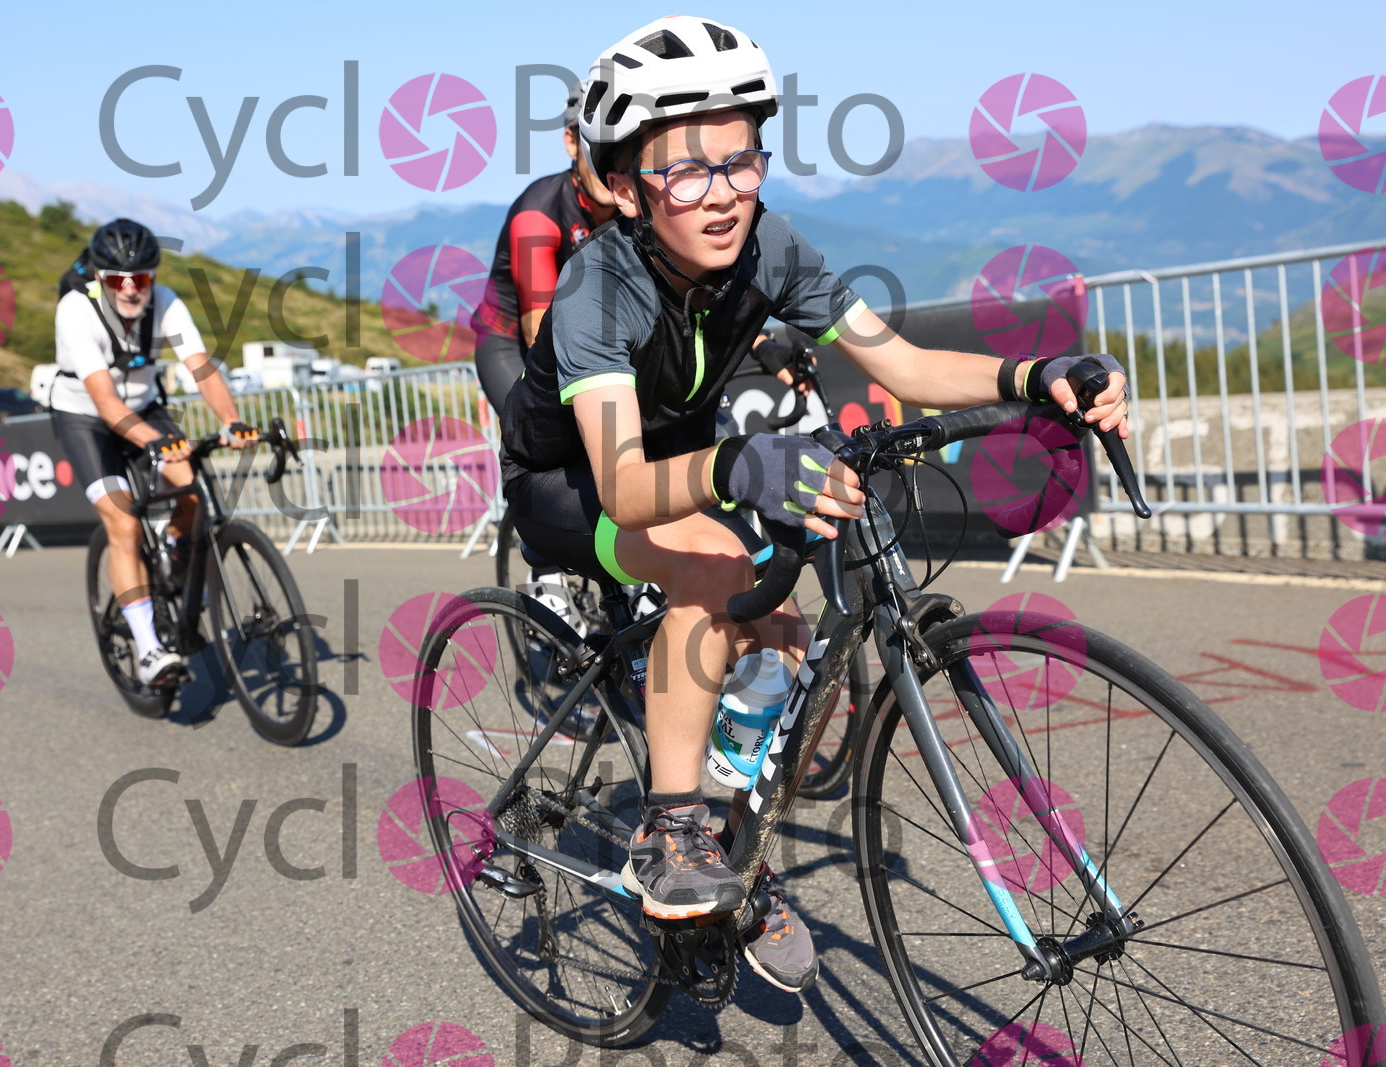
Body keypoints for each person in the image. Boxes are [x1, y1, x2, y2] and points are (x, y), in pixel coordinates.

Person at [500, 15, 1129, 994]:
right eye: (685, 171)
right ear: (623, 186)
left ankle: (731, 832)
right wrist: (739, 463)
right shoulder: (597, 287)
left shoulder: (770, 247)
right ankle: (671, 830)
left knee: (787, 631)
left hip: (676, 459)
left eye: (739, 160)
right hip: (569, 480)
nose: (723, 192)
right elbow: (623, 483)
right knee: (714, 564)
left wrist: (1033, 372)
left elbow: (903, 364)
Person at [50, 218, 258, 686]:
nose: (130, 289)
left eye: (140, 278)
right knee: (123, 522)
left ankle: (176, 558)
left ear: (153, 277)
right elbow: (105, 402)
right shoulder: (76, 310)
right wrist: (153, 441)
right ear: (100, 278)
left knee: (190, 489)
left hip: (144, 406)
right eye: (118, 280)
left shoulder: (166, 303)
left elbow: (201, 367)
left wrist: (231, 420)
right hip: (86, 418)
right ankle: (149, 650)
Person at [472, 80, 618, 412]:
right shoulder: (537, 214)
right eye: (594, 145)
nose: (605, 162)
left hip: (583, 333)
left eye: (617, 146)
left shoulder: (635, 208)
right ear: (572, 143)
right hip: (509, 342)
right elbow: (537, 330)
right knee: (542, 432)